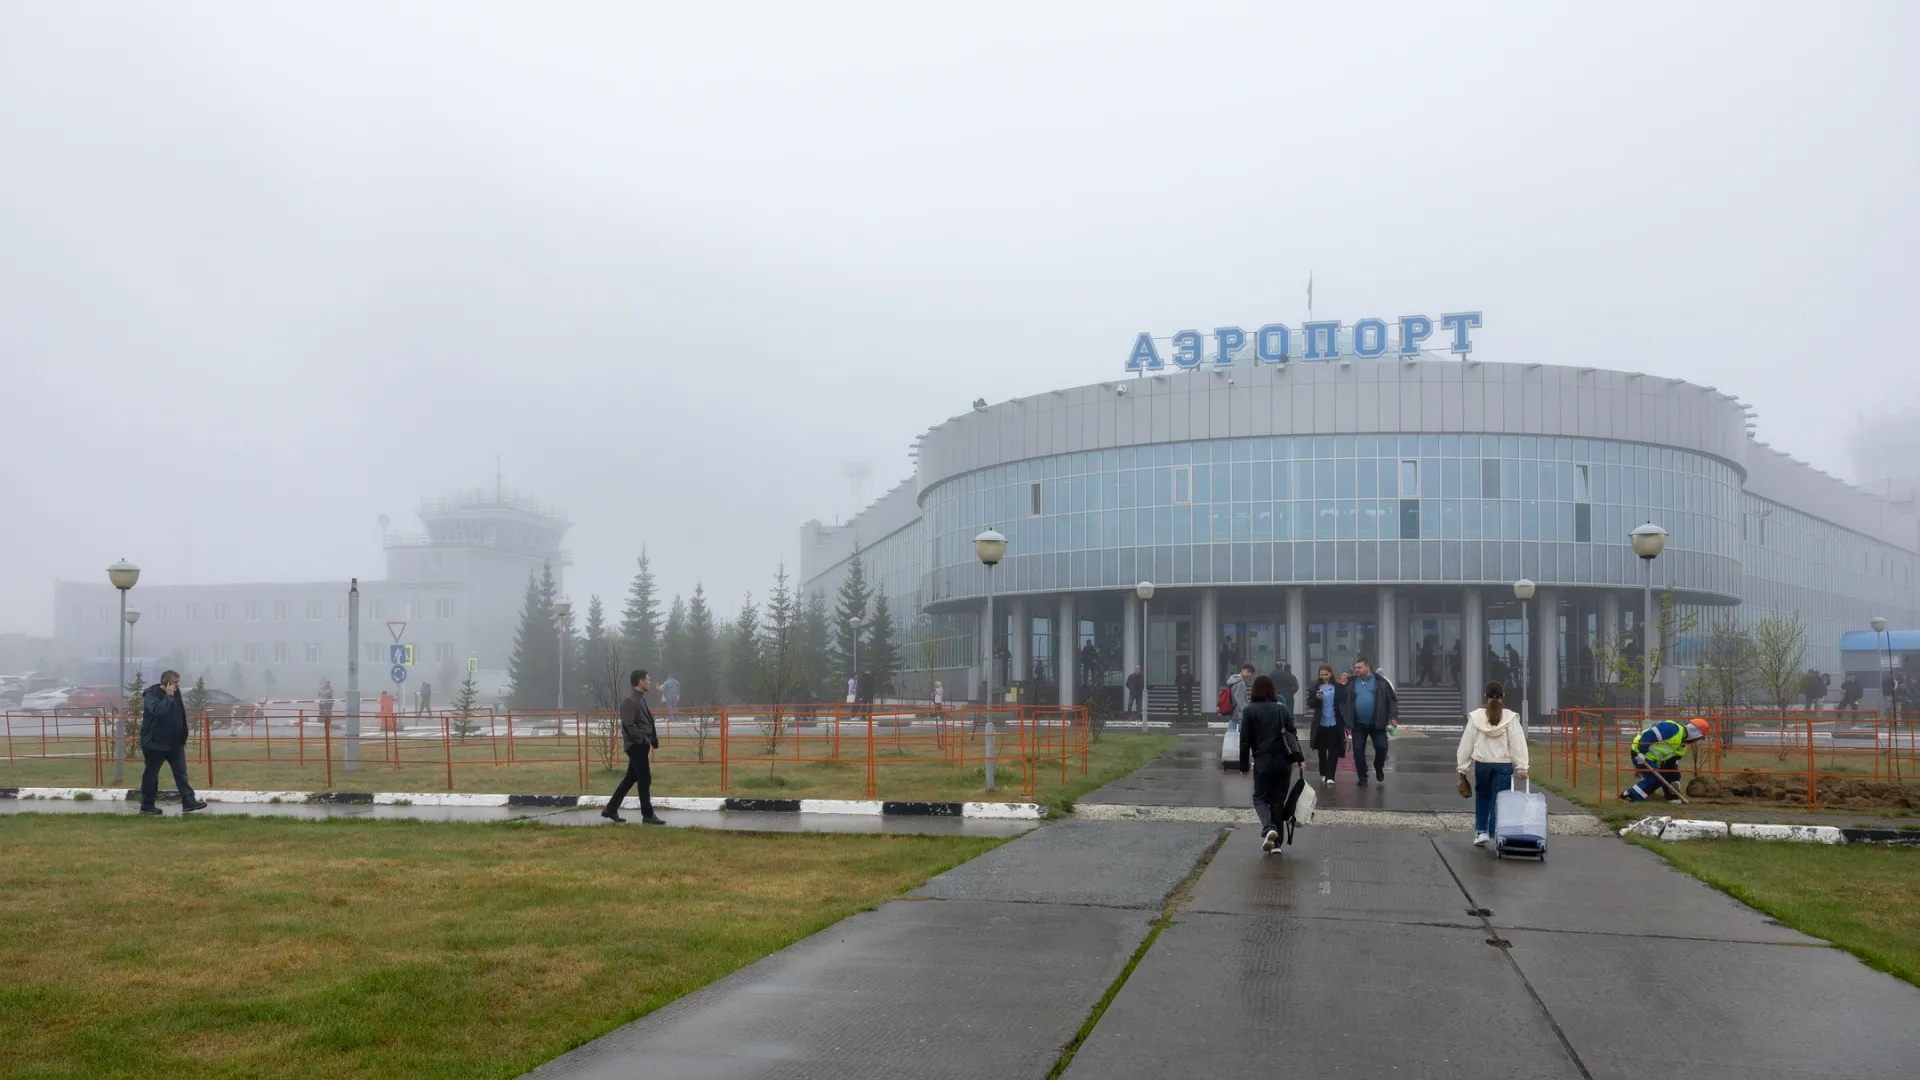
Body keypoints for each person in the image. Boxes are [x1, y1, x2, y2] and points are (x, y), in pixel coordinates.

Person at [1456, 682, 1529, 847]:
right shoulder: (1510, 718)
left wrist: (1462, 768)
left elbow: (1467, 743)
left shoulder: (1476, 717)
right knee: (1500, 800)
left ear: (1485, 697)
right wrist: (1522, 767)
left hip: (1482, 764)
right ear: (1503, 697)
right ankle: (1495, 832)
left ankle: (1481, 832)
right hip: (1503, 765)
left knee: (1483, 796)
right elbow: (1517, 743)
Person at [1236, 675, 1300, 854]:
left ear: (1254, 691)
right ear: (1272, 690)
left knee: (1260, 798)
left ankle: (1268, 828)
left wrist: (1243, 765)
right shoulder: (1283, 709)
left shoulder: (1249, 711)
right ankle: (1277, 844)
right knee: (1278, 801)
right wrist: (1299, 758)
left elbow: (1244, 741)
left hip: (1263, 761)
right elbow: (1292, 735)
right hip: (1284, 762)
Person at [138, 670, 207, 815]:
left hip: (175, 742)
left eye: (178, 682)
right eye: (175, 682)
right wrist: (168, 696)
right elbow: (159, 711)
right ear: (166, 683)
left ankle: (189, 801)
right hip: (155, 743)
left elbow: (180, 712)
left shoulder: (177, 692)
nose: (178, 685)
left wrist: (183, 733)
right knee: (151, 775)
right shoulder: (151, 695)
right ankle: (147, 805)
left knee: (181, 773)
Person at [603, 669, 665, 824]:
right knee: (644, 778)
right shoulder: (629, 701)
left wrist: (653, 738)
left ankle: (610, 809)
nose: (650, 682)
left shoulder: (641, 699)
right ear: (640, 682)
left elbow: (648, 721)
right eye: (648, 679)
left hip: (642, 745)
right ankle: (647, 815)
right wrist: (643, 739)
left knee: (631, 778)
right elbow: (629, 725)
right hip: (636, 746)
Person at [1619, 716, 1710, 802]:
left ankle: (1671, 796)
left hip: (1653, 759)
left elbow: (1672, 764)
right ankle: (1628, 796)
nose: (1697, 741)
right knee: (1655, 779)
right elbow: (1649, 735)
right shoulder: (1672, 728)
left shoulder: (1682, 747)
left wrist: (1675, 780)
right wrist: (1642, 752)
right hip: (1639, 753)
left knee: (1666, 775)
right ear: (1695, 732)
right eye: (1699, 738)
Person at [1347, 657, 1398, 787]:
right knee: (1358, 751)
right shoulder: (1352, 683)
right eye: (1356, 667)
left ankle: (1378, 766)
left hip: (1378, 723)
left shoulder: (1381, 682)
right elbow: (1343, 700)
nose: (1356, 670)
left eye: (1359, 667)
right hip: (1358, 724)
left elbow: (1392, 700)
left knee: (1382, 748)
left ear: (1367, 667)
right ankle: (1362, 776)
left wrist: (1393, 717)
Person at [1305, 663, 1347, 785]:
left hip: (1334, 723)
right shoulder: (1315, 688)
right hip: (1320, 723)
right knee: (1321, 751)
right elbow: (1310, 704)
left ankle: (1331, 776)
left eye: (1326, 674)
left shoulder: (1338, 687)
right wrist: (1317, 698)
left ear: (1331, 674)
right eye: (1322, 674)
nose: (1324, 677)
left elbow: (1343, 702)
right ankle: (1323, 772)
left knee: (1333, 750)